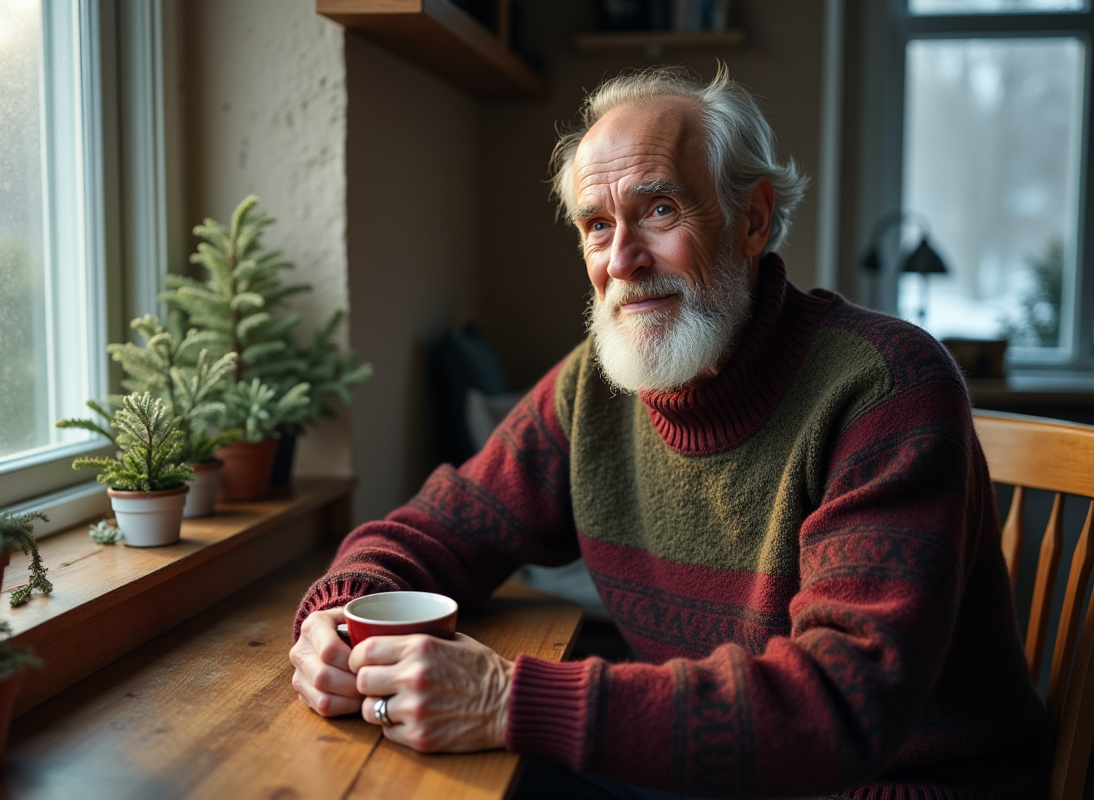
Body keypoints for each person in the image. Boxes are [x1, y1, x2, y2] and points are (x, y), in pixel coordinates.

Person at [288, 65, 1046, 799]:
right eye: (596, 225)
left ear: (752, 218)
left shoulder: (888, 385)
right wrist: (340, 616)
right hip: (700, 774)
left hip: (889, 786)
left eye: (658, 211)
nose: (622, 261)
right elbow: (434, 529)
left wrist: (500, 700)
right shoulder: (596, 385)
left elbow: (844, 706)